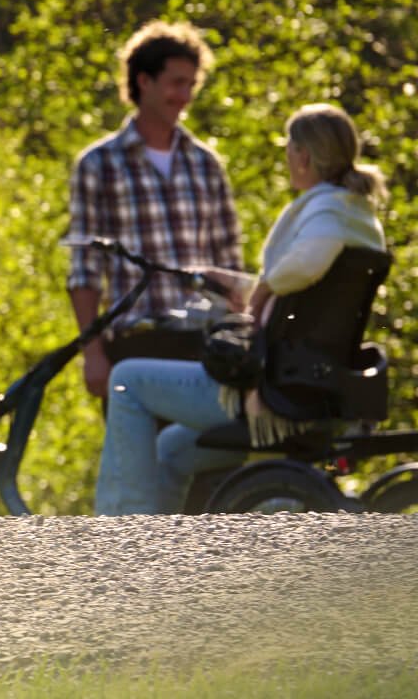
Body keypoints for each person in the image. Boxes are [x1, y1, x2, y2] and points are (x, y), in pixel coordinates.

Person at [94, 103, 389, 514]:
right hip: (306, 379)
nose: (287, 156)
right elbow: (304, 289)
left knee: (126, 380)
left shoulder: (330, 212)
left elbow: (304, 265)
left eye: (289, 148)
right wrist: (246, 288)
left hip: (271, 385)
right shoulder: (356, 216)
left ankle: (115, 537)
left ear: (303, 155)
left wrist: (265, 287)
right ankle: (154, 556)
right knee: (172, 448)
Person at [66, 21, 244, 397]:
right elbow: (85, 272)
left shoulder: (205, 163)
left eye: (191, 85)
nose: (185, 96)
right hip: (134, 345)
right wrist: (92, 354)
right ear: (143, 82)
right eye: (176, 83)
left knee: (208, 455)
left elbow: (230, 266)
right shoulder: (98, 164)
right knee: (139, 456)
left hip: (204, 346)